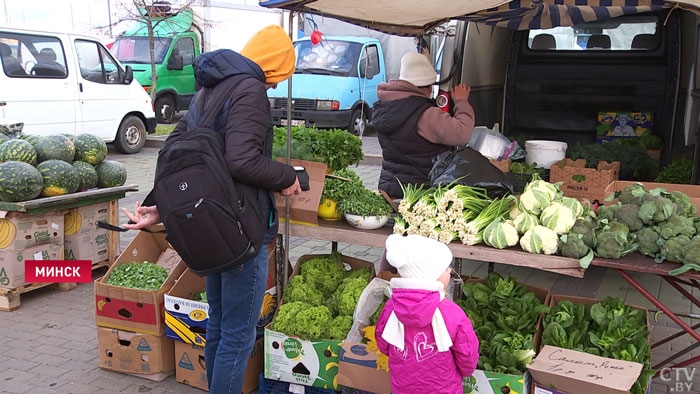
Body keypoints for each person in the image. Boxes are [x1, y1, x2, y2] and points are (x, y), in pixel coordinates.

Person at [122, 25, 302, 394]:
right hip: (240, 228)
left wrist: (161, 205)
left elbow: (179, 154)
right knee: (237, 336)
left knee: (220, 326)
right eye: (276, 80)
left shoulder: (210, 88)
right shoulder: (250, 90)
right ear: (273, 68)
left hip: (212, 225)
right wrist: (285, 176)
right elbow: (241, 161)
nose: (273, 88)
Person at [375, 234, 479, 394]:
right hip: (444, 389)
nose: (450, 270)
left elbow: (383, 343)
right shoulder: (451, 313)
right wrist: (465, 371)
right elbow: (467, 355)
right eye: (445, 268)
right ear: (430, 275)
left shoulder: (392, 307)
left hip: (402, 387)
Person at [372, 52, 476, 199]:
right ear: (426, 87)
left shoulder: (383, 107)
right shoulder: (425, 114)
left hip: (389, 189)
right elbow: (461, 133)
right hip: (419, 194)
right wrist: (461, 102)